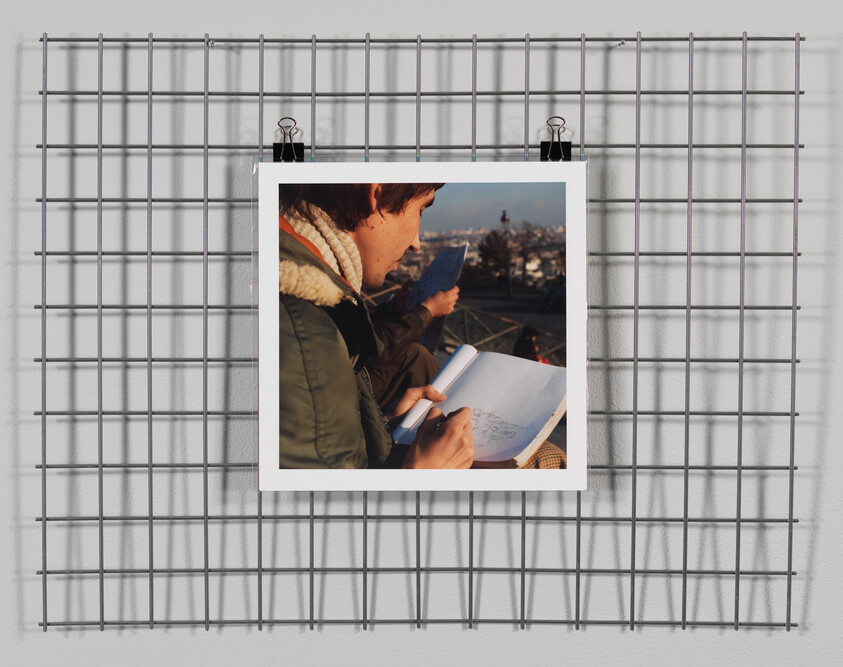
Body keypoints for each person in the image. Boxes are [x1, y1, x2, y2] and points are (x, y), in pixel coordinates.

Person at [277, 182, 473, 469]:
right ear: (376, 195)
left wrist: (386, 427)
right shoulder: (308, 336)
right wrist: (427, 471)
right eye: (421, 209)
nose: (416, 243)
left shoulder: (303, 288)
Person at [367, 284, 460, 414]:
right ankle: (442, 414)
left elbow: (364, 328)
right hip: (354, 388)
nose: (399, 262)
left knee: (414, 355)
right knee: (416, 355)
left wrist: (390, 307)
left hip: (356, 376)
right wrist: (428, 310)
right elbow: (374, 346)